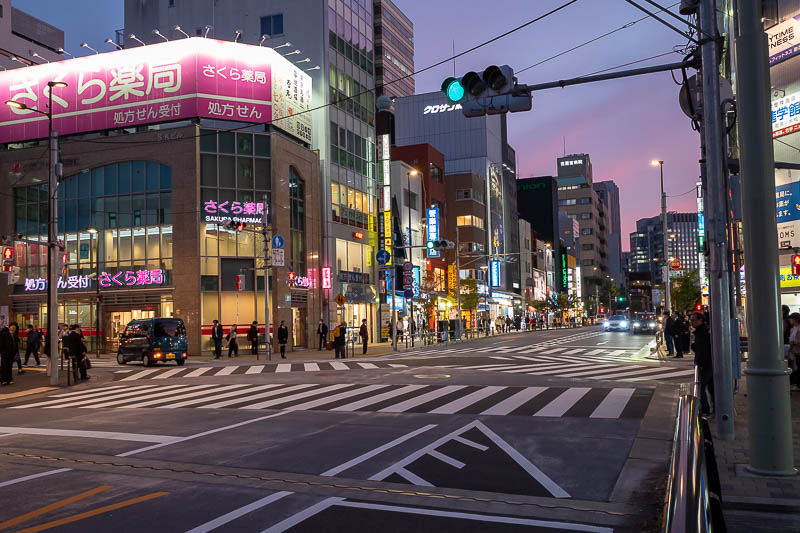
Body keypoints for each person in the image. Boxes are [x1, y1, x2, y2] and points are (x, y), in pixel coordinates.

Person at [690, 312, 714, 415]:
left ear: (700, 320)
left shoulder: (702, 333)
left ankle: (705, 409)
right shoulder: (703, 331)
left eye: (693, 320)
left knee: (701, 387)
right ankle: (713, 408)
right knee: (711, 387)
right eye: (691, 320)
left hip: (705, 364)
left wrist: (700, 363)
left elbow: (703, 350)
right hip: (710, 363)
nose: (691, 322)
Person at [787, 312, 800, 391]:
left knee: (798, 368)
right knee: (795, 367)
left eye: (791, 319)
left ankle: (798, 385)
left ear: (796, 320)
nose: (790, 320)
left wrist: (794, 343)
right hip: (794, 351)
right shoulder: (793, 328)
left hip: (798, 350)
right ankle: (795, 383)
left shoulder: (799, 328)